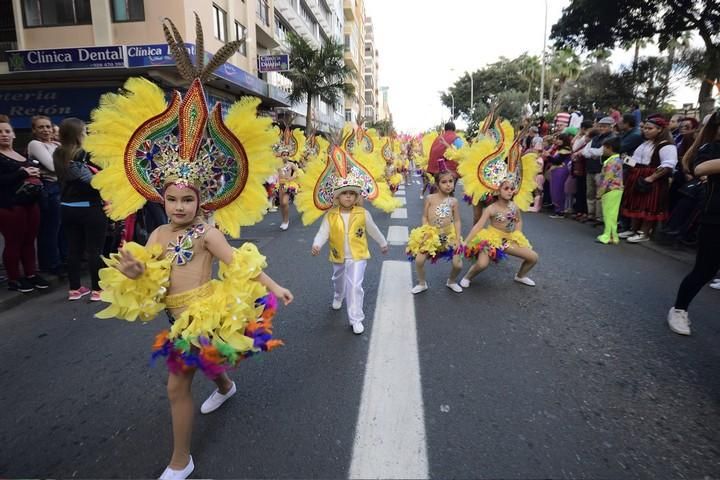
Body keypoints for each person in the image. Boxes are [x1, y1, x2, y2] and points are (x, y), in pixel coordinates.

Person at [85, 20, 295, 476]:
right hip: (173, 314)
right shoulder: (158, 235)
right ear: (161, 198)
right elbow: (150, 275)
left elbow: (239, 263)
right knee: (206, 365)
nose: (179, 206)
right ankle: (225, 385)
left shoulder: (207, 234)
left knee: (176, 387)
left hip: (204, 316)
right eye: (172, 199)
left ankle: (181, 460)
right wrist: (135, 273)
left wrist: (274, 285)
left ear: (202, 200)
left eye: (188, 199)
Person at [311, 174, 388, 335]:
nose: (348, 196)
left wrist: (382, 242)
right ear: (338, 196)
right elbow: (323, 232)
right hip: (338, 255)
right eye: (345, 193)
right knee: (338, 280)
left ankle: (356, 319)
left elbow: (373, 229)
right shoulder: (331, 215)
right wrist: (317, 244)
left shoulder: (363, 213)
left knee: (354, 286)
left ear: (356, 197)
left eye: (352, 193)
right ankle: (338, 295)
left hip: (358, 256)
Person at [667, 110, 720, 335]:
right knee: (704, 270)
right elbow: (700, 169)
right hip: (716, 219)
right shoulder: (710, 148)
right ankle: (679, 310)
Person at [53, 117, 108, 301]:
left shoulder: (58, 153)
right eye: (84, 132)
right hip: (90, 207)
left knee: (73, 249)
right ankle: (97, 290)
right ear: (78, 135)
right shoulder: (85, 154)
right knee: (95, 250)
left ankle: (74, 289)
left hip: (67, 208)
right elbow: (95, 182)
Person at [0, 114, 49, 292]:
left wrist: (35, 174)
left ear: (14, 134)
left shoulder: (19, 154)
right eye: (0, 132)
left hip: (31, 203)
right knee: (14, 242)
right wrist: (22, 173)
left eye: (7, 131)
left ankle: (31, 274)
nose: (4, 134)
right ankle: (14, 278)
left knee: (29, 240)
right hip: (9, 206)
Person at [459, 180, 539, 287]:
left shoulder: (514, 206)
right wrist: (465, 242)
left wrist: (518, 234)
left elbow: (519, 220)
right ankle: (467, 277)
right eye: (506, 189)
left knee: (533, 257)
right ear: (498, 191)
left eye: (511, 189)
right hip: (491, 240)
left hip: (508, 240)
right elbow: (479, 226)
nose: (510, 191)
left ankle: (520, 276)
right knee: (482, 264)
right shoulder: (491, 208)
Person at [619, 115, 678, 243]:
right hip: (637, 176)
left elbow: (668, 165)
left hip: (652, 180)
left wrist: (651, 178)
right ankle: (633, 229)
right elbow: (636, 162)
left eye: (649, 128)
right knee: (636, 203)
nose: (645, 130)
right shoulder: (645, 143)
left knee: (649, 206)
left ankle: (644, 232)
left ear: (660, 130)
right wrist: (626, 159)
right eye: (644, 128)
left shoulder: (666, 145)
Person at [407, 170, 463, 294]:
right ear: (437, 184)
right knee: (419, 260)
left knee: (458, 264)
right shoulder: (430, 198)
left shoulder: (454, 201)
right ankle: (422, 283)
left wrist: (458, 239)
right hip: (432, 235)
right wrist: (426, 230)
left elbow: (457, 221)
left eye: (450, 181)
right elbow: (425, 217)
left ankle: (452, 281)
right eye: (444, 182)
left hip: (449, 236)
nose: (448, 184)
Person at [27, 115, 63, 275]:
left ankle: (62, 260)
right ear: (34, 130)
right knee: (50, 228)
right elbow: (53, 166)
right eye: (41, 127)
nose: (45, 130)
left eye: (48, 126)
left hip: (62, 187)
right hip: (50, 189)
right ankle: (50, 264)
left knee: (63, 228)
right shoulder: (35, 144)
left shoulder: (56, 144)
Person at [582, 117, 615, 224]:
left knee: (599, 193)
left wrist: (592, 152)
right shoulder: (596, 138)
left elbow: (602, 152)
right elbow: (584, 151)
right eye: (600, 126)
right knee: (590, 193)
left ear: (611, 127)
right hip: (591, 168)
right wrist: (593, 153)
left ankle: (599, 217)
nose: (601, 128)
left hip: (601, 169)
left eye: (604, 126)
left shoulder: (612, 138)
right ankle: (591, 214)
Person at [595, 136, 623, 244]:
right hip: (615, 189)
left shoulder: (612, 161)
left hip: (611, 189)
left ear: (610, 148)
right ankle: (613, 236)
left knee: (609, 214)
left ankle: (608, 236)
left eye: (604, 148)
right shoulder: (616, 159)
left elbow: (607, 178)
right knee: (611, 213)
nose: (603, 150)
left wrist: (600, 192)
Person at [548, 133, 573, 218]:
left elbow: (557, 161)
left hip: (561, 171)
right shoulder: (559, 149)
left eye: (560, 139)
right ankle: (557, 209)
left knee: (559, 190)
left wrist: (548, 156)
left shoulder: (566, 150)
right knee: (554, 190)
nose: (558, 141)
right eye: (558, 139)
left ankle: (560, 210)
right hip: (556, 171)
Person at [277, 157, 299, 231]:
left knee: (285, 202)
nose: (285, 156)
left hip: (288, 185)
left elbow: (297, 171)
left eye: (286, 155)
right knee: (281, 204)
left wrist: (292, 177)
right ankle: (284, 221)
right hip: (280, 185)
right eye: (283, 155)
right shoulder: (278, 164)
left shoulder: (291, 164)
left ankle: (286, 221)